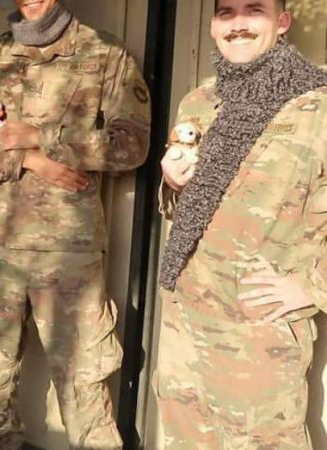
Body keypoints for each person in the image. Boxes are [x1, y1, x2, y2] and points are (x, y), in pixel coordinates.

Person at [0, 0, 151, 447]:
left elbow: (131, 145)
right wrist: (32, 160)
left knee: (83, 378)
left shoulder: (104, 54)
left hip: (67, 247)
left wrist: (44, 137)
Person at [155, 0, 327, 447]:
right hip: (184, 322)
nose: (238, 25)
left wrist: (314, 285)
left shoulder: (316, 105)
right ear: (213, 27)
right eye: (226, 13)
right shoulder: (199, 100)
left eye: (255, 10)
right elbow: (190, 205)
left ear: (283, 22)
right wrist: (172, 181)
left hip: (256, 335)